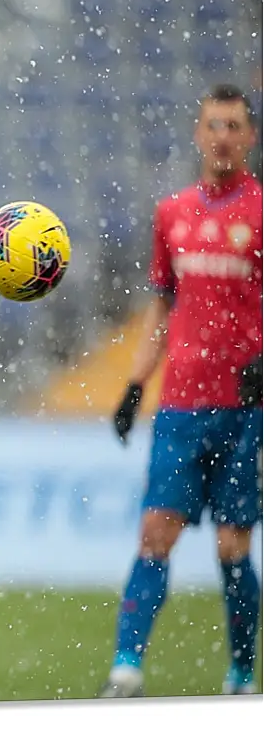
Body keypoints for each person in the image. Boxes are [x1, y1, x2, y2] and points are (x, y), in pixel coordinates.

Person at [101, 84, 262, 698]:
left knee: (231, 546)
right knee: (155, 534)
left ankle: (243, 675)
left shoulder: (260, 209)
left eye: (233, 125)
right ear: (198, 134)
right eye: (212, 125)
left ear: (249, 137)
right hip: (181, 405)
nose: (222, 136)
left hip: (244, 410)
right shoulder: (173, 213)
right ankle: (126, 668)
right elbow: (163, 306)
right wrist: (135, 385)